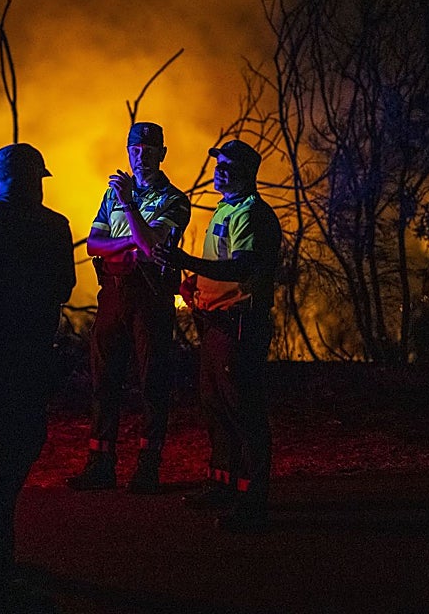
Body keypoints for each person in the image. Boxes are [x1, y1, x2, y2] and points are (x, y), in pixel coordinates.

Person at [0, 144, 76, 613]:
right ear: (34, 180)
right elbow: (62, 287)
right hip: (21, 358)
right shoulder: (51, 226)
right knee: (11, 458)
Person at [154, 140, 281, 532]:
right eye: (219, 164)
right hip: (216, 325)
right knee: (215, 406)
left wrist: (186, 262)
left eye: (229, 166)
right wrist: (195, 284)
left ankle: (252, 499)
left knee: (243, 410)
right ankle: (224, 483)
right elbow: (222, 266)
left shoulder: (252, 214)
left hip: (239, 326)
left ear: (248, 172)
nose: (220, 171)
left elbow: (241, 269)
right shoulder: (226, 209)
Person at [67, 122, 191, 494]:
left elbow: (152, 247)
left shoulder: (174, 199)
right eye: (135, 150)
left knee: (152, 381)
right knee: (104, 379)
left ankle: (147, 468)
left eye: (150, 151)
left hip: (150, 297)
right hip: (113, 294)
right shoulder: (113, 195)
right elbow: (94, 244)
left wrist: (130, 209)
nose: (141, 158)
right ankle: (101, 464)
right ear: (128, 151)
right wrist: (129, 244)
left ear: (162, 154)